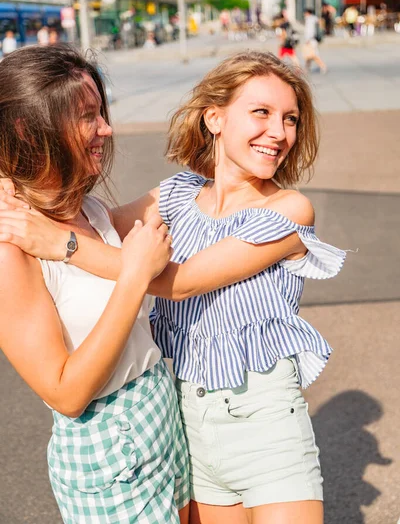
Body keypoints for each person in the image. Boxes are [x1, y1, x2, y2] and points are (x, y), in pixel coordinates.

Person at [0, 51, 347, 524]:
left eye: (290, 119)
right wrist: (10, 181)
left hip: (263, 420)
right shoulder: (178, 193)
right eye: (261, 112)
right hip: (189, 422)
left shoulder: (289, 210)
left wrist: (57, 244)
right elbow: (92, 226)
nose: (279, 132)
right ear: (215, 117)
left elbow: (175, 282)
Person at [0, 44, 190, 524]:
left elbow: (182, 191)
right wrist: (134, 274)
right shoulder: (10, 251)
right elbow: (65, 392)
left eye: (102, 112)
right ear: (27, 128)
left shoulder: (89, 208)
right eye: (88, 116)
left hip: (161, 411)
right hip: (109, 446)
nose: (106, 128)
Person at [303, 8, 328, 74]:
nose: (304, 14)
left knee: (314, 55)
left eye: (305, 13)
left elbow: (310, 31)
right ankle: (306, 69)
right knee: (308, 55)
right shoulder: (313, 18)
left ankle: (323, 66)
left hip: (311, 40)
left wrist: (308, 39)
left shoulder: (310, 20)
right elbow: (320, 22)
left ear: (308, 13)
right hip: (311, 40)